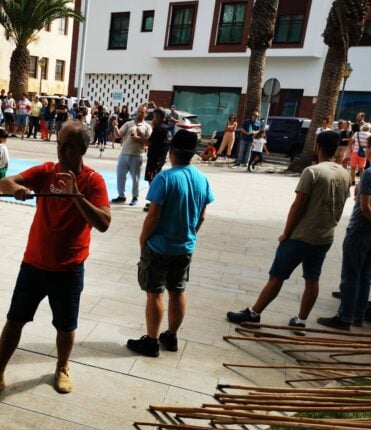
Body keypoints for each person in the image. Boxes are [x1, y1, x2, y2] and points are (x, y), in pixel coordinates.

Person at [0, 121, 111, 403]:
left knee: (65, 326)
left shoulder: (93, 181)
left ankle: (62, 367)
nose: (61, 150)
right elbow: (3, 182)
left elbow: (103, 222)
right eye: (59, 144)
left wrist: (76, 195)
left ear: (82, 149)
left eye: (68, 146)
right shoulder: (46, 172)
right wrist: (15, 188)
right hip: (34, 264)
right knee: (14, 321)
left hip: (69, 268)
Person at [227, 131, 350, 333]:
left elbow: (297, 205)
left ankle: (254, 313)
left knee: (277, 276)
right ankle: (301, 320)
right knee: (312, 279)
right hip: (324, 237)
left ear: (317, 146)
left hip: (301, 236)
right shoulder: (345, 174)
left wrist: (286, 233)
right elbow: (341, 204)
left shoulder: (313, 172)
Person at [126, 130, 213, 357]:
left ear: (171, 151)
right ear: (193, 154)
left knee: (155, 292)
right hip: (185, 247)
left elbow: (153, 216)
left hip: (159, 247)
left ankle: (152, 341)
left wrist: (143, 239)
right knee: (178, 290)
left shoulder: (164, 178)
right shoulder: (202, 179)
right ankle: (171, 336)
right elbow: (202, 216)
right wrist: (190, 234)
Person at [318, 132, 371, 330]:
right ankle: (358, 315)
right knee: (365, 275)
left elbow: (364, 206)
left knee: (351, 276)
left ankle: (344, 317)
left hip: (362, 231)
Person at [113, 104, 152, 206]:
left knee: (135, 178)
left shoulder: (147, 127)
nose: (140, 113)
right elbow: (118, 135)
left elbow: (149, 142)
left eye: (142, 112)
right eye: (139, 111)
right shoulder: (129, 123)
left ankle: (135, 197)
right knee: (120, 176)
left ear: (146, 114)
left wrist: (139, 138)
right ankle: (121, 196)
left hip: (137, 155)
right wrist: (115, 126)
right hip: (124, 154)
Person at [349, 123, 371, 187]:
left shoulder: (356, 133)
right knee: (361, 169)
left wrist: (351, 150)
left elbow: (351, 142)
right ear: (369, 129)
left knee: (353, 168)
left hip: (355, 152)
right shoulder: (370, 135)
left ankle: (353, 181)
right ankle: (361, 182)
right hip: (363, 153)